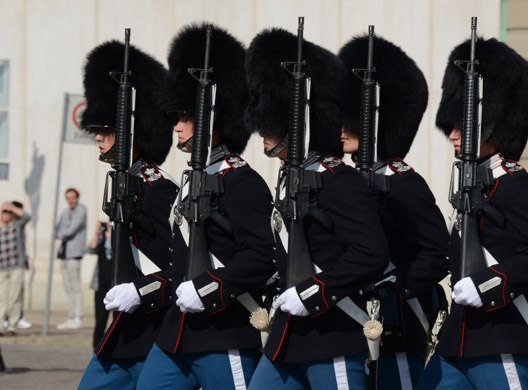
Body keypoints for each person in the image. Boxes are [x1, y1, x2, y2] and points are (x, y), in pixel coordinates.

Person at [415, 38, 528, 390]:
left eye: (460, 126)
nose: (452, 135)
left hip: (503, 338)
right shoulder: (473, 186)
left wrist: (487, 285)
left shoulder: (517, 186)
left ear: (491, 128)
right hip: (456, 341)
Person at [244, 28, 389, 389]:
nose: (261, 129)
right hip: (286, 340)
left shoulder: (339, 181)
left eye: (271, 119)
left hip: (333, 337)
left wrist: (313, 291)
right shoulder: (287, 179)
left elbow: (370, 253)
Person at [135, 23, 276, 390]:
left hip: (224, 332)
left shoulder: (241, 181)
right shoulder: (190, 180)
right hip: (175, 333)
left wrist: (212, 287)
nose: (177, 128)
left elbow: (263, 255)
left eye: (184, 118)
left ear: (212, 119)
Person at [338, 34, 450, 390]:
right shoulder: (346, 180)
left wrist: (397, 286)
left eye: (351, 118)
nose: (341, 127)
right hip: (351, 326)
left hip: (398, 325)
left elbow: (436, 252)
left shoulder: (403, 182)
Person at [77, 40, 183, 390]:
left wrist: (142, 292)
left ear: (130, 132)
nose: (98, 138)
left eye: (106, 130)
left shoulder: (158, 189)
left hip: (152, 328)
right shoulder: (127, 183)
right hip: (124, 330)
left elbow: (178, 265)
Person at [55, 188, 87, 330]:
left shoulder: (81, 210)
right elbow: (57, 229)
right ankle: (71, 315)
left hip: (74, 253)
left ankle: (78, 316)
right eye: (68, 198)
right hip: (64, 253)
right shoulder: (65, 212)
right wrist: (61, 233)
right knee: (68, 287)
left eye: (72, 198)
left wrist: (61, 233)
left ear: (77, 197)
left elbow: (70, 230)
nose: (70, 201)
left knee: (75, 286)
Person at [0, 201, 31, 336]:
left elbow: (27, 217)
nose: (6, 214)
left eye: (8, 212)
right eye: (4, 212)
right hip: (2, 267)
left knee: (14, 297)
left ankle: (12, 326)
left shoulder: (17, 225)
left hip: (16, 267)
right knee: (2, 298)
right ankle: (0, 326)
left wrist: (12, 207)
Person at [88, 221, 111, 347]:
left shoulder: (121, 233)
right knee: (100, 323)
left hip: (116, 286)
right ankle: (96, 350)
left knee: (117, 323)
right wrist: (97, 233)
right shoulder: (102, 234)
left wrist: (112, 236)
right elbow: (91, 249)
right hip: (101, 285)